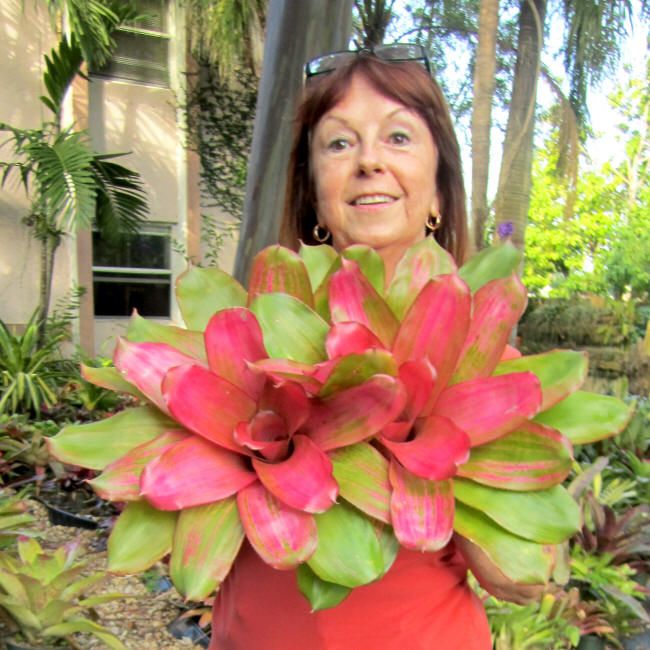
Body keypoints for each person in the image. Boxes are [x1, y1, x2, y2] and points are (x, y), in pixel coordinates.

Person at [209, 45, 542, 650]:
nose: (368, 161)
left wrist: (488, 536)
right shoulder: (243, 336)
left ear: (438, 193)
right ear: (312, 194)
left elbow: (523, 564)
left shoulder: (490, 371)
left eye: (397, 137)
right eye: (339, 143)